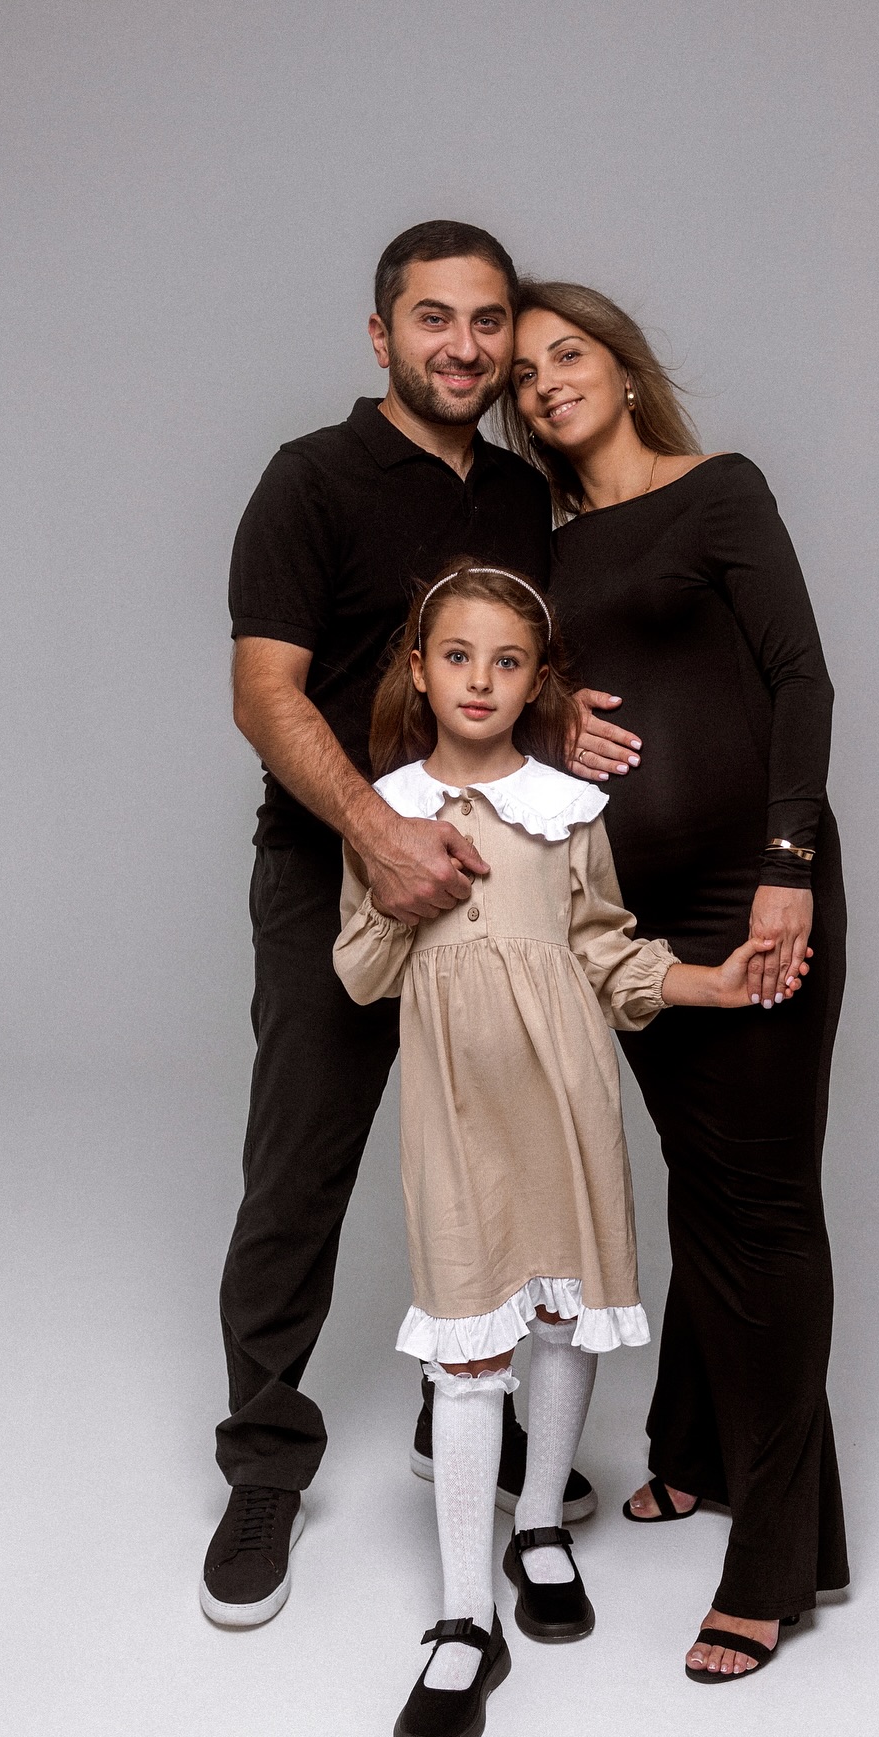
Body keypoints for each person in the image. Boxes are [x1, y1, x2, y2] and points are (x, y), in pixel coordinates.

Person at [202, 221, 601, 1631]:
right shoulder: (307, 480)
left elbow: (522, 664)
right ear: (382, 335)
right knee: (299, 1170)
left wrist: (572, 722)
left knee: (495, 1156)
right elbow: (265, 691)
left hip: (494, 879)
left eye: (488, 321)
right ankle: (265, 1463)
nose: (465, 347)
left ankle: (462, 1413)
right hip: (337, 874)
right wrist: (377, 835)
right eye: (434, 318)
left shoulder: (523, 495)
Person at [333, 559, 780, 1737]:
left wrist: (707, 982)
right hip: (455, 1109)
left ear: (539, 682)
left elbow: (607, 955)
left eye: (508, 661)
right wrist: (405, 883)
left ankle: (539, 1525)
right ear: (419, 671)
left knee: (565, 1316)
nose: (480, 680)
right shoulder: (383, 808)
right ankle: (463, 1619)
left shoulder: (568, 808)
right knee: (468, 1344)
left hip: (567, 1097)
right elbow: (361, 972)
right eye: (457, 656)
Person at [503, 280, 850, 1682]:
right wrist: (545, 709)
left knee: (765, 1206)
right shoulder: (540, 548)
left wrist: (788, 863)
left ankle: (780, 1557)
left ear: (624, 366)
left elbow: (802, 681)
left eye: (567, 354)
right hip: (627, 914)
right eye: (524, 376)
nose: (545, 383)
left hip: (749, 890)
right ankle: (697, 1450)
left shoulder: (718, 492)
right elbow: (487, 691)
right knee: (701, 1184)